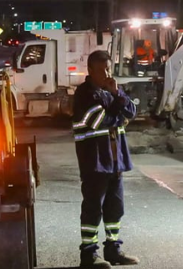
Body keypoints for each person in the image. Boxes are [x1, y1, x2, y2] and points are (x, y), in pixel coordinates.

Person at [72, 50, 139, 268]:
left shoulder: (110, 91)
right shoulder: (84, 94)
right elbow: (100, 120)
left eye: (108, 69)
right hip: (95, 161)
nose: (106, 74)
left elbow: (131, 111)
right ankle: (88, 255)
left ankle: (113, 250)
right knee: (93, 208)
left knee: (115, 207)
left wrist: (117, 94)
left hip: (115, 160)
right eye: (101, 70)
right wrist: (118, 116)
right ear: (90, 70)